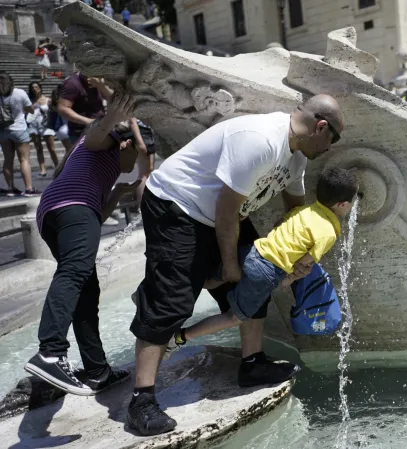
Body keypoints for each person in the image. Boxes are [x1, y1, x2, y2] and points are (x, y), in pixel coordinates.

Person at [126, 94, 344, 436]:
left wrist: (296, 260)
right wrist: (229, 265)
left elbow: (295, 213)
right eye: (334, 139)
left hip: (226, 214)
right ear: (320, 127)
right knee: (171, 301)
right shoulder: (260, 141)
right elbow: (226, 211)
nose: (331, 148)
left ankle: (252, 363)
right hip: (177, 205)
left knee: (257, 277)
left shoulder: (297, 156)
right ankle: (142, 400)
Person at [23, 92, 140, 396]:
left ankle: (97, 371)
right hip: (73, 204)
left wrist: (116, 194)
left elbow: (94, 218)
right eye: (137, 151)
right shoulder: (107, 141)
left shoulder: (97, 163)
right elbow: (96, 135)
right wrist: (114, 119)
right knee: (75, 272)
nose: (138, 158)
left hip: (54, 210)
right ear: (124, 142)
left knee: (86, 288)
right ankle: (50, 352)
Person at [169, 168, 360, 350]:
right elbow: (305, 261)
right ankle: (180, 337)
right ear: (342, 204)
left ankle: (170, 287)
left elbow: (280, 223)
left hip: (253, 251)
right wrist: (288, 280)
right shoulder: (328, 232)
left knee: (212, 281)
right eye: (352, 202)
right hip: (266, 272)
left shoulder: (305, 210)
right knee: (235, 318)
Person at [0, 72, 38, 197]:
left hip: (3, 130)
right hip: (19, 128)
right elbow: (31, 109)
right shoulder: (19, 93)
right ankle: (28, 188)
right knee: (24, 159)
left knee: (8, 160)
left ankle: (10, 189)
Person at [58, 73, 108, 147]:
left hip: (102, 129)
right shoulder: (72, 84)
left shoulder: (99, 82)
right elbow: (63, 109)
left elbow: (113, 99)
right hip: (82, 133)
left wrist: (102, 86)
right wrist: (89, 121)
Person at [27, 82, 59, 177]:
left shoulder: (47, 99)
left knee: (51, 149)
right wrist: (34, 105)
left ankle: (58, 167)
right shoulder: (29, 100)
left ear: (40, 88)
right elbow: (26, 111)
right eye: (32, 87)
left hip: (46, 126)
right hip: (34, 125)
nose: (34, 89)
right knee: (38, 148)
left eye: (36, 87)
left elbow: (54, 110)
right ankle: (42, 170)